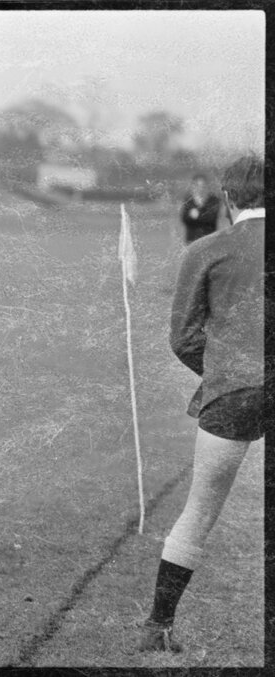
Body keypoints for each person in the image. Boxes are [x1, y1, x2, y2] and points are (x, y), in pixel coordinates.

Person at [137, 153, 265, 653]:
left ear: (228, 199)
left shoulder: (206, 250)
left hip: (232, 392)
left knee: (199, 511)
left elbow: (184, 339)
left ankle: (158, 625)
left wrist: (221, 372)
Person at [178, 173, 222, 245]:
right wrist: (191, 216)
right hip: (192, 241)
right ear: (193, 186)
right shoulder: (188, 200)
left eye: (203, 186)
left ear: (207, 186)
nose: (200, 189)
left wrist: (197, 214)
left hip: (210, 241)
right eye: (198, 186)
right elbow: (184, 219)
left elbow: (212, 217)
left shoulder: (213, 200)